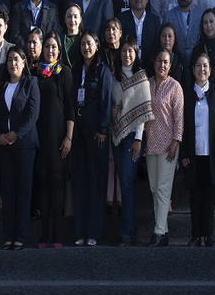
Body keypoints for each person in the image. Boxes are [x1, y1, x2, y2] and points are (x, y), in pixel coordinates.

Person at [181, 53, 215, 246]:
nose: (202, 69)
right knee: (195, 197)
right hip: (193, 155)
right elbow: (181, 125)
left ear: (210, 71)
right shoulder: (187, 94)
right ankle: (195, 235)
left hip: (213, 155)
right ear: (193, 70)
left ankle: (208, 235)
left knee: (210, 198)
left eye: (205, 66)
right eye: (198, 66)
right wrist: (183, 153)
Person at [0, 46, 40, 249]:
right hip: (4, 146)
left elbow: (33, 114)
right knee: (7, 191)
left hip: (24, 145)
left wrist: (16, 134)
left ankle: (21, 234)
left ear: (23, 63)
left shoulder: (31, 82)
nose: (13, 63)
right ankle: (8, 234)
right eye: (10, 59)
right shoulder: (1, 85)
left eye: (17, 60)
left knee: (23, 190)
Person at [109, 37, 154, 245]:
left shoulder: (141, 77)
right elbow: (113, 103)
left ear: (136, 53)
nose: (127, 55)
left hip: (132, 138)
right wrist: (113, 111)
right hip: (117, 136)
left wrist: (138, 140)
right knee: (124, 182)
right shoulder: (114, 77)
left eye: (131, 51)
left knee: (127, 183)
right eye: (124, 51)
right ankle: (132, 232)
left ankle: (126, 233)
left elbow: (144, 112)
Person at [33, 34, 75, 248]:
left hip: (58, 137)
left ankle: (57, 235)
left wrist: (69, 137)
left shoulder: (64, 72)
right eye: (47, 46)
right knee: (43, 186)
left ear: (59, 50)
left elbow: (70, 106)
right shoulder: (35, 72)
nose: (50, 50)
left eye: (54, 47)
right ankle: (44, 234)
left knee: (57, 187)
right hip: (39, 138)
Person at [71, 32, 112, 246]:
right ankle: (80, 231)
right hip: (78, 133)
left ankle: (94, 232)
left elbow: (106, 101)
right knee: (80, 182)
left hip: (97, 134)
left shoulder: (103, 70)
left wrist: (103, 129)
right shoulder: (76, 69)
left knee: (96, 182)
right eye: (83, 44)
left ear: (97, 45)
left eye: (90, 43)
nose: (86, 47)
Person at [145, 49, 184, 246]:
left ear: (170, 65)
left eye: (166, 62)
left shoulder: (175, 87)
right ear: (154, 63)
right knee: (154, 188)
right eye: (159, 61)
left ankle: (158, 232)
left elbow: (179, 118)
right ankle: (164, 232)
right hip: (150, 144)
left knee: (163, 188)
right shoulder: (147, 84)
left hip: (168, 145)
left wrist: (176, 142)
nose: (162, 65)